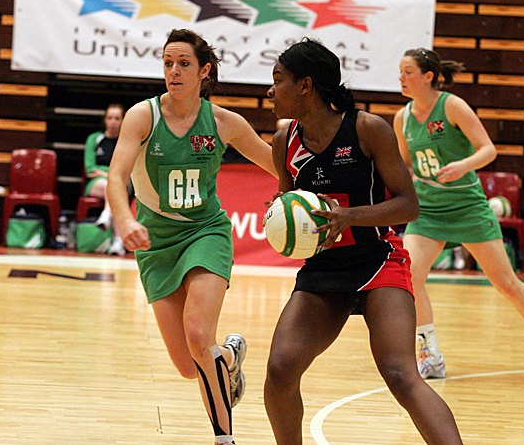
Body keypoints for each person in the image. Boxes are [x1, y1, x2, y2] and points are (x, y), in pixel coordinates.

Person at [264, 39, 463, 445]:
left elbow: (409, 205)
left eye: (278, 80)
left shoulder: (367, 128)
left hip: (377, 261)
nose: (271, 90)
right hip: (323, 269)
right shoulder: (284, 141)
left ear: (305, 85)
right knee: (280, 369)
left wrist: (349, 217)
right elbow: (287, 198)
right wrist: (280, 215)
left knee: (400, 374)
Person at [106, 28, 276, 445]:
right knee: (188, 365)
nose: (174, 71)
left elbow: (276, 165)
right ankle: (229, 356)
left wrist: (309, 195)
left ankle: (224, 439)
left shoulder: (223, 122)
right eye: (168, 63)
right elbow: (116, 176)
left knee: (199, 336)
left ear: (204, 71)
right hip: (156, 241)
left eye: (184, 63)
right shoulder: (142, 116)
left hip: (206, 231)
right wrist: (125, 220)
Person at [393, 48, 524, 379]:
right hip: (428, 210)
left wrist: (463, 165)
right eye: (400, 72)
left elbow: (488, 149)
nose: (401, 78)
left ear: (428, 76)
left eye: (408, 72)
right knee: (410, 276)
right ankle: (430, 356)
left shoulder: (452, 105)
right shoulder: (402, 118)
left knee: (508, 285)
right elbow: (405, 165)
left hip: (467, 206)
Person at [84, 103, 127, 255]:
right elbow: (90, 169)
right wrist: (112, 174)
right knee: (113, 187)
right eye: (110, 118)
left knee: (115, 189)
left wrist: (103, 172)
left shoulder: (126, 140)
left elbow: (127, 168)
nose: (113, 122)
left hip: (122, 184)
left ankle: (106, 215)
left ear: (123, 120)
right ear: (104, 120)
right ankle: (118, 242)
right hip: (97, 184)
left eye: (117, 118)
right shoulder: (94, 139)